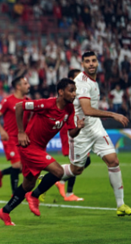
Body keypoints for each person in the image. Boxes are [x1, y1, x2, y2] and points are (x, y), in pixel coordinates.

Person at [0, 78, 85, 226]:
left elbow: (71, 133)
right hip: (28, 146)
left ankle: (5, 212)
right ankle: (35, 196)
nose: (74, 94)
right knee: (58, 172)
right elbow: (19, 106)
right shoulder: (47, 104)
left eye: (75, 91)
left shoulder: (70, 109)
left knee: (28, 184)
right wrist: (21, 132)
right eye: (71, 90)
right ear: (61, 92)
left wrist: (79, 127)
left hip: (40, 148)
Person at [69, 51, 131, 215]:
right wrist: (113, 114)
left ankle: (121, 205)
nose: (91, 63)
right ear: (82, 64)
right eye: (87, 61)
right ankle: (49, 178)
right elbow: (87, 110)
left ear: (97, 63)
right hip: (81, 130)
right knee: (76, 170)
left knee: (113, 160)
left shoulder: (93, 81)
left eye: (93, 61)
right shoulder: (81, 83)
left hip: (95, 127)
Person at [53, 69, 91, 202]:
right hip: (70, 129)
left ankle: (61, 180)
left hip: (79, 129)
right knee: (77, 161)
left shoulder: (78, 92)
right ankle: (68, 192)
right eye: (77, 77)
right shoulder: (68, 96)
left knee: (86, 160)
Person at [0, 76, 30, 194]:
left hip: (22, 138)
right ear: (18, 87)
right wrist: (2, 131)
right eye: (25, 84)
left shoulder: (28, 101)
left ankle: (1, 173)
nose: (28, 86)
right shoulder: (7, 101)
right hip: (10, 138)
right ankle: (15, 193)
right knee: (17, 165)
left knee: (23, 167)